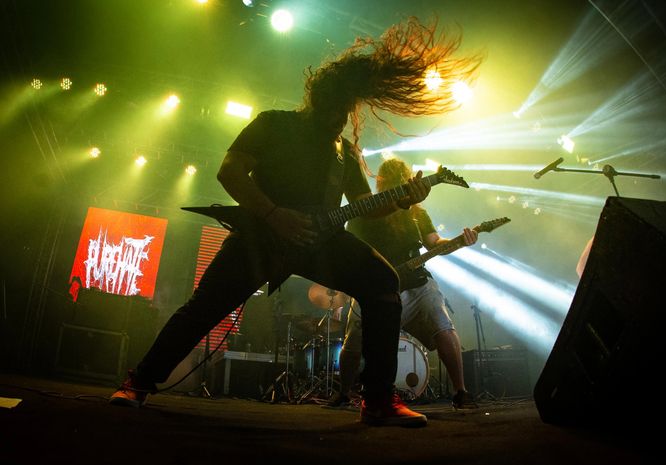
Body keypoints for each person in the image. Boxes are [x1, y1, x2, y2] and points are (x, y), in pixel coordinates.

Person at [109, 16, 484, 427]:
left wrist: (403, 201)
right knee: (204, 309)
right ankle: (139, 381)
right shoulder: (273, 124)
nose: (341, 119)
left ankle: (378, 399)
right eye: (336, 109)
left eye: (346, 111)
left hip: (320, 241)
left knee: (382, 282)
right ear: (318, 100)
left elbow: (363, 204)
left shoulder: (345, 152)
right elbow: (229, 171)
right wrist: (274, 214)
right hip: (261, 237)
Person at [326, 158, 479, 410]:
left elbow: (434, 242)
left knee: (443, 324)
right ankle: (343, 392)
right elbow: (351, 253)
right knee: (354, 340)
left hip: (417, 283)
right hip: (376, 287)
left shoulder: (417, 213)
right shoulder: (367, 211)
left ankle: (461, 391)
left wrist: (459, 241)